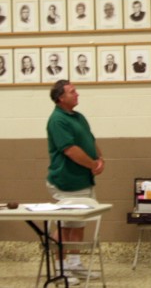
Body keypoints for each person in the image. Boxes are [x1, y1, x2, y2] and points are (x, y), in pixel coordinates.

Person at [46, 80, 104, 282]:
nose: (77, 94)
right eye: (72, 92)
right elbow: (70, 150)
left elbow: (90, 139)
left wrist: (100, 159)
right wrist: (91, 165)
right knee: (65, 225)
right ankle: (61, 269)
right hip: (66, 181)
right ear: (61, 97)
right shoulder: (57, 120)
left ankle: (74, 262)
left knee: (79, 222)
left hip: (83, 181)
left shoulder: (78, 117)